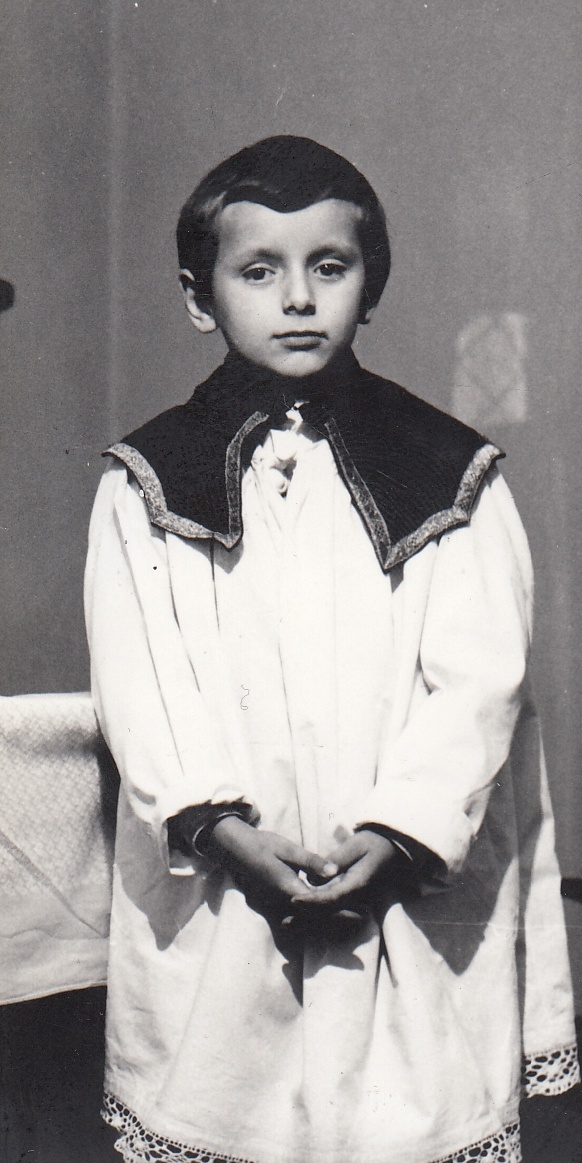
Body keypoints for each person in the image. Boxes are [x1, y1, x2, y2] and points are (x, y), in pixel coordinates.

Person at [84, 136, 579, 1163]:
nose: (299, 298)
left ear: (372, 284)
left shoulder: (451, 474)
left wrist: (399, 834)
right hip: (223, 875)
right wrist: (219, 826)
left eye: (330, 266)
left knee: (402, 1102)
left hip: (400, 876)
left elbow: (480, 683)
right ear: (200, 297)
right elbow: (142, 683)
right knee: (226, 1091)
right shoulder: (146, 484)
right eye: (259, 270)